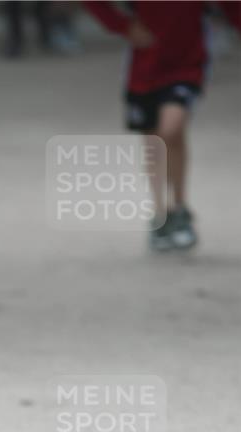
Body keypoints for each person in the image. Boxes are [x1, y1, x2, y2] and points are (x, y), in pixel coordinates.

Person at [83, 1, 241, 250]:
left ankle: (179, 208)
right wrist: (122, 25)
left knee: (172, 128)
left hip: (187, 63)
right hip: (144, 67)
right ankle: (160, 215)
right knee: (153, 141)